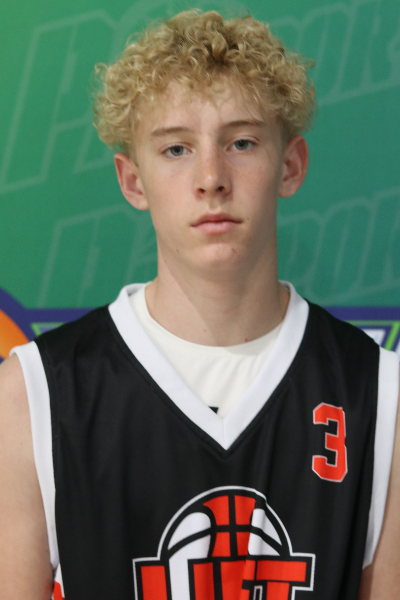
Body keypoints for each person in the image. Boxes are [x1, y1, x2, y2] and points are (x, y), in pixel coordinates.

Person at [0, 9, 399, 600]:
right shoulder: (33, 394)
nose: (211, 177)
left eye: (241, 142)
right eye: (176, 149)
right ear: (132, 181)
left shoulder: (382, 394)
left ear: (290, 165)